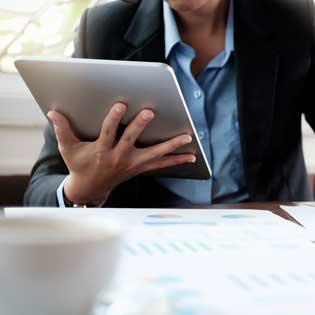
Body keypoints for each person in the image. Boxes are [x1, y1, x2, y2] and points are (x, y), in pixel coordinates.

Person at [24, 0, 315, 207]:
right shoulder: (102, 31)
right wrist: (82, 189)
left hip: (267, 240)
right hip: (147, 247)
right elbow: (40, 189)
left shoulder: (295, 20)